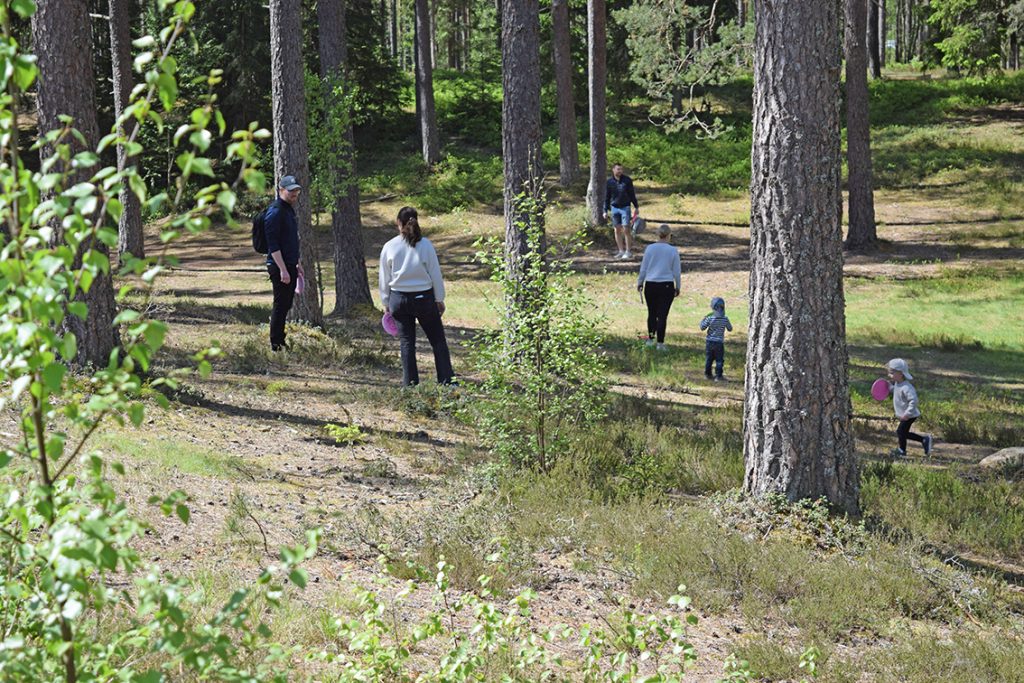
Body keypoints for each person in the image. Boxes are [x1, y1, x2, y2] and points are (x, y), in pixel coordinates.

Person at [379, 206, 455, 386]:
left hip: (399, 299)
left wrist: (386, 302)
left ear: (398, 222)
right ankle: (446, 381)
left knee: (407, 343)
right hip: (424, 299)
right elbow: (435, 274)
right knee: (438, 340)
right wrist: (439, 299)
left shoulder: (389, 246)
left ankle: (410, 385)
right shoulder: (426, 245)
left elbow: (384, 277)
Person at [264, 174, 304, 351]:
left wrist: (297, 262)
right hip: (278, 265)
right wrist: (282, 269)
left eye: (296, 191)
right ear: (281, 190)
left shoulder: (288, 210)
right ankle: (276, 344)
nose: (294, 194)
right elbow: (273, 245)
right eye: (290, 191)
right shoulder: (275, 212)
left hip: (290, 264)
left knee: (286, 304)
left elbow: (291, 240)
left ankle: (281, 340)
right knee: (280, 305)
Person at [636, 224, 681, 351]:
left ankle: (650, 339)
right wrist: (678, 286)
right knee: (662, 315)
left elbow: (644, 268)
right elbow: (676, 271)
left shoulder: (650, 248)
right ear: (669, 235)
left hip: (651, 283)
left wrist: (640, 282)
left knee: (652, 313)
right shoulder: (673, 250)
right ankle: (660, 343)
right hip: (666, 284)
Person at [886, 358, 933, 458]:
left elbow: (914, 401)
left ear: (900, 374)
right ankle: (924, 439)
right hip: (905, 414)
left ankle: (902, 450)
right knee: (903, 433)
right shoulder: (898, 384)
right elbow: (895, 390)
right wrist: (887, 387)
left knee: (900, 431)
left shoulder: (906, 387)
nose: (889, 375)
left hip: (910, 415)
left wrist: (907, 413)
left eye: (892, 373)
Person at [603, 163, 640, 260]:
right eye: (618, 169)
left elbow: (632, 194)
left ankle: (628, 251)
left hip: (625, 207)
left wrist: (636, 206)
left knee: (626, 229)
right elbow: (607, 197)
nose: (620, 171)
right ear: (613, 170)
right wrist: (605, 210)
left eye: (621, 169)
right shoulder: (609, 182)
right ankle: (621, 251)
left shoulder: (627, 180)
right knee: (617, 229)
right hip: (614, 208)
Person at [700, 297, 733, 381]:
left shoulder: (710, 318)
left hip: (709, 342)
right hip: (719, 343)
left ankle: (708, 375)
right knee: (719, 360)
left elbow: (702, 327)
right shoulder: (725, 319)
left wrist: (703, 320)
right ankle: (718, 376)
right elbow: (730, 329)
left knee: (709, 359)